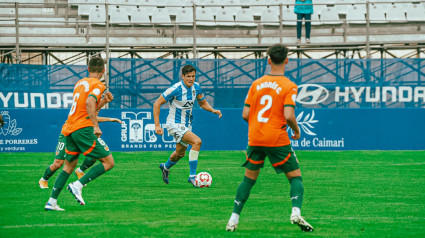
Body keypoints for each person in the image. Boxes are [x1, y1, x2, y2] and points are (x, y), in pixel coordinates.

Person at [226, 44, 313, 232]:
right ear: (287, 60)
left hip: (255, 137)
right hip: (277, 138)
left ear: (268, 60)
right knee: (295, 177)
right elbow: (289, 115)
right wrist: (296, 131)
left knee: (248, 180)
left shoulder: (256, 84)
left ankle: (233, 219)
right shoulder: (289, 86)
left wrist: (259, 126)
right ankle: (296, 213)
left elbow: (245, 113)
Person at [44, 57, 116, 211]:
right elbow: (90, 103)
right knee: (109, 162)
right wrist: (95, 126)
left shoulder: (80, 83)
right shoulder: (98, 84)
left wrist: (103, 102)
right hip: (82, 128)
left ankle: (52, 202)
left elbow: (89, 106)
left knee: (69, 167)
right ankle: (78, 185)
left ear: (87, 68)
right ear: (104, 70)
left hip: (69, 128)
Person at [153, 65, 222, 187]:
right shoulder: (175, 89)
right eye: (188, 76)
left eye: (193, 76)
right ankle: (192, 176)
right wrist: (157, 125)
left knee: (180, 154)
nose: (191, 79)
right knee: (197, 142)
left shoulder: (197, 87)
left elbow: (203, 103)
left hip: (186, 125)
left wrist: (213, 110)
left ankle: (165, 167)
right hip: (174, 124)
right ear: (183, 76)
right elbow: (157, 103)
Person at [38, 92, 121, 189]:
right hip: (68, 134)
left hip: (80, 134)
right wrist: (109, 118)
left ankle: (80, 171)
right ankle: (44, 179)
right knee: (58, 163)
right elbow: (88, 116)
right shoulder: (85, 102)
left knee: (95, 154)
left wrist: (104, 103)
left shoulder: (93, 103)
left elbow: (92, 115)